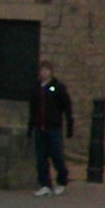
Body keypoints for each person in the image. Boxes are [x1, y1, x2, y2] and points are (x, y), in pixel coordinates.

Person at [30, 62, 75, 197]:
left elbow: (66, 106)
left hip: (54, 127)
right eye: (42, 70)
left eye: (46, 70)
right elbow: (33, 109)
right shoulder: (36, 88)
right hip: (40, 127)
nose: (44, 73)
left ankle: (62, 180)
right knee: (41, 158)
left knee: (57, 156)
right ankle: (45, 184)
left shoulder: (57, 87)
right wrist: (30, 126)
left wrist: (69, 125)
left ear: (51, 72)